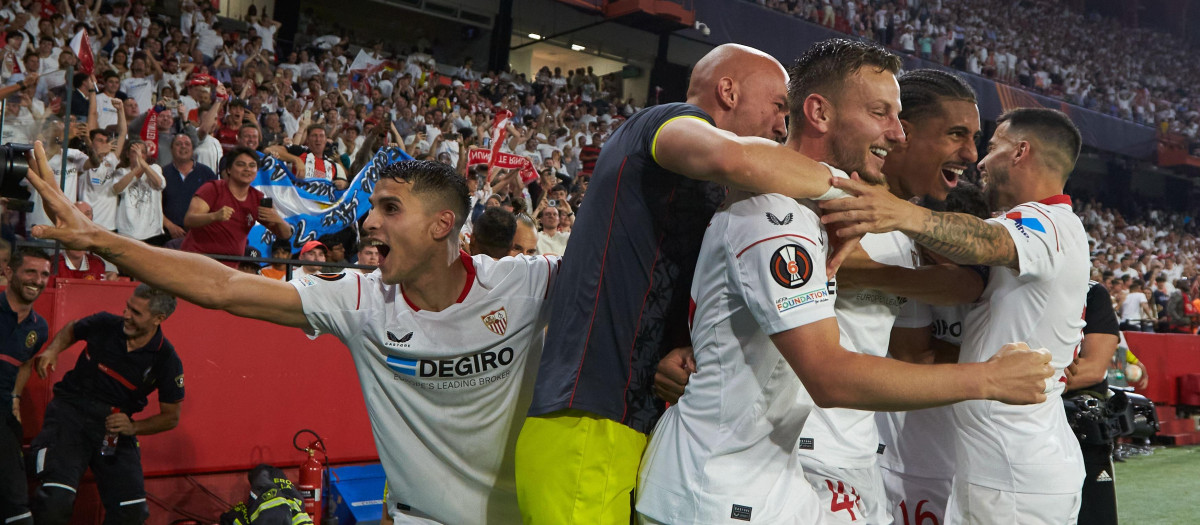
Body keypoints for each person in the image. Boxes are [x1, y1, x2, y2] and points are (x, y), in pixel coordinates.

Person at [519, 42, 947, 524]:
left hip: (639, 425)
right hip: (589, 420)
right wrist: (856, 195)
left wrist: (680, 348)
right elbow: (733, 158)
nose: (782, 126)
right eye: (778, 106)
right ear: (727, 90)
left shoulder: (721, 197)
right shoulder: (663, 121)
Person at [635, 38, 1052, 525]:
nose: (898, 134)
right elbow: (828, 375)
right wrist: (987, 379)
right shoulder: (775, 213)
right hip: (717, 490)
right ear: (819, 112)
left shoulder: (814, 215)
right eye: (881, 113)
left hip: (765, 475)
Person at [22, 150, 561, 524]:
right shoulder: (361, 299)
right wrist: (99, 238)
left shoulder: (529, 284)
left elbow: (631, 281)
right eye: (372, 206)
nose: (369, 222)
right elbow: (223, 286)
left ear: (442, 225)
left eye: (390, 208)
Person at [821, 107, 1089, 524]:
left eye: (993, 147)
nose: (980, 161)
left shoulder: (1051, 223)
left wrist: (900, 213)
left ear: (1020, 152)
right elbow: (969, 274)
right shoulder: (1046, 230)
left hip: (1015, 469)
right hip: (999, 464)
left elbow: (987, 242)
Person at [29, 285, 182, 524]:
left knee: (132, 511)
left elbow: (171, 416)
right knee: (55, 500)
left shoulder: (166, 360)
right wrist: (52, 350)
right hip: (70, 414)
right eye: (128, 307)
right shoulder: (105, 323)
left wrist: (133, 428)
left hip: (112, 429)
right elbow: (73, 329)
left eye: (136, 313)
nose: (126, 315)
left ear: (158, 319)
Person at [0, 249, 51, 525]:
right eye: (30, 272)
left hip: (5, 416)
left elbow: (25, 364)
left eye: (44, 274)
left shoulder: (39, 327)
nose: (38, 280)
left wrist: (16, 398)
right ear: (8, 272)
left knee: (15, 498)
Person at [1063, 281, 1121, 525]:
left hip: (1078, 427)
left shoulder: (1090, 292)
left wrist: (1016, 381)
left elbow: (1094, 369)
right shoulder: (995, 286)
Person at [180, 147, 293, 265]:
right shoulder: (212, 188)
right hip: (199, 261)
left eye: (252, 165)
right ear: (229, 169)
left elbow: (285, 235)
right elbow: (189, 220)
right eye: (241, 164)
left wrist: (278, 220)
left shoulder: (257, 198)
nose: (247, 169)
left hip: (230, 267)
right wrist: (214, 216)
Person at [161, 134, 218, 242]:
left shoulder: (206, 173)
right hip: (168, 235)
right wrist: (170, 226)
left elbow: (216, 204)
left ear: (192, 149)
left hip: (201, 235)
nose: (183, 147)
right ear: (171, 149)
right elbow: (155, 206)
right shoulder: (161, 174)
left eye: (187, 144)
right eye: (178, 144)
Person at [114, 140, 168, 245]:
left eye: (142, 152)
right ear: (127, 154)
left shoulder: (154, 168)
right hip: (127, 232)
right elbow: (117, 189)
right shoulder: (121, 172)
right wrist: (135, 170)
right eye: (135, 151)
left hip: (152, 232)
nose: (139, 155)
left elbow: (160, 184)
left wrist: (143, 165)